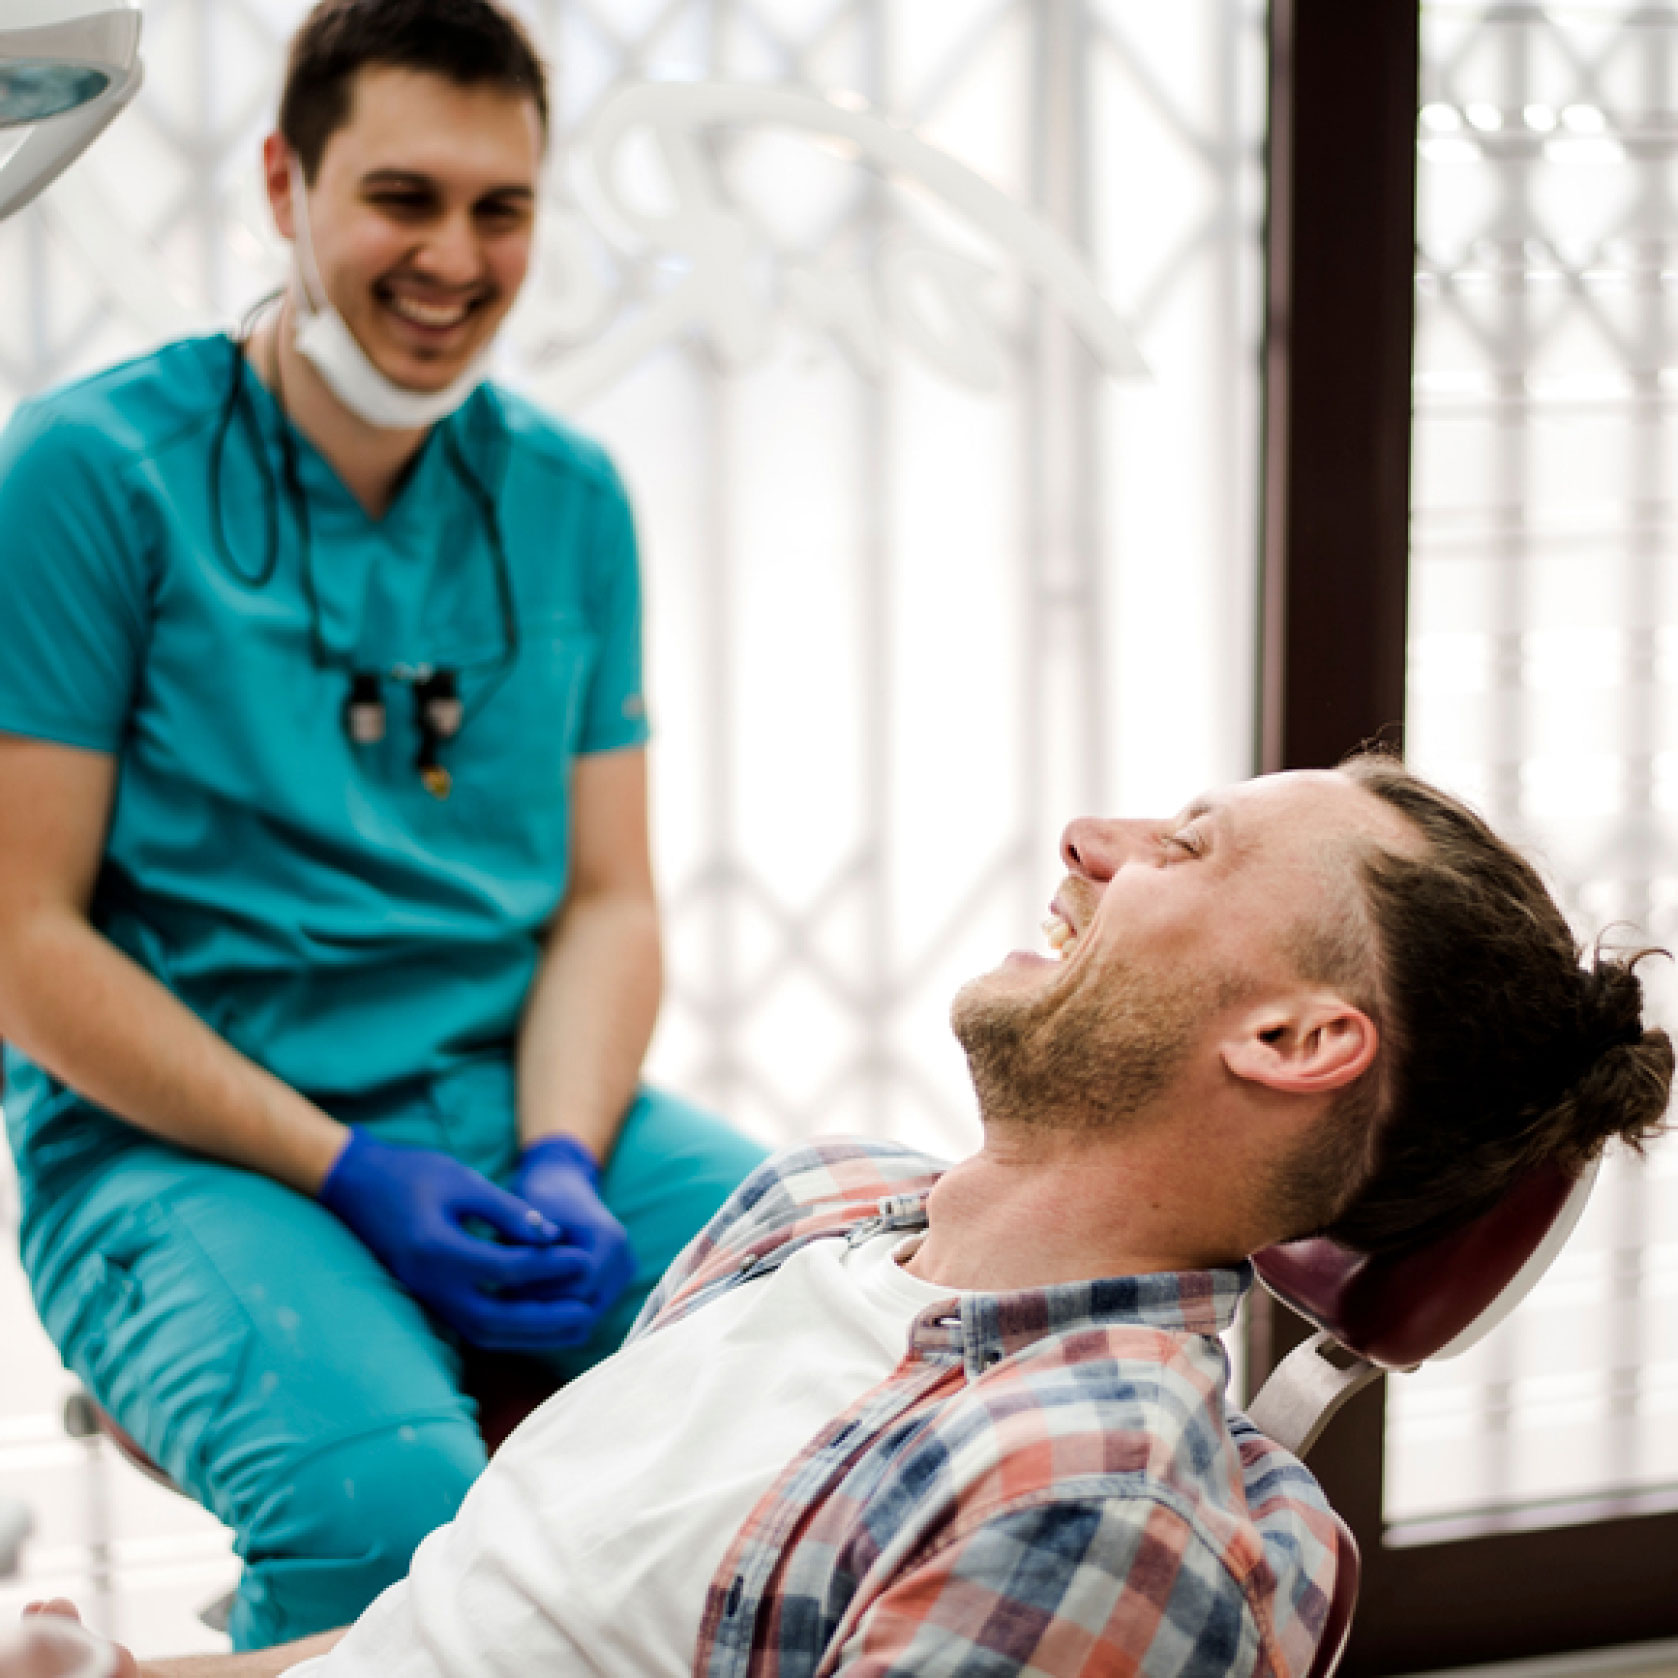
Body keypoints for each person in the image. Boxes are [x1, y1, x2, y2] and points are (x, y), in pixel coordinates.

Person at [20, 756, 1673, 1678]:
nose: (1090, 837)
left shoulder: (1086, 1508)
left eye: (1185, 846)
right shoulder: (821, 1207)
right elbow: (455, 1629)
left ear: (1296, 1039)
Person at [0, 0, 766, 1650]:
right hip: (178, 1143)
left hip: (510, 1097)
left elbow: (607, 902)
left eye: (502, 209)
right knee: (388, 1508)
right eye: (402, 198)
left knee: (821, 1352)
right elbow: (20, 939)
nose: (455, 259)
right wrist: (346, 1168)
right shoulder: (85, 473)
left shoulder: (564, 497)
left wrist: (562, 1148)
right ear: (284, 182)